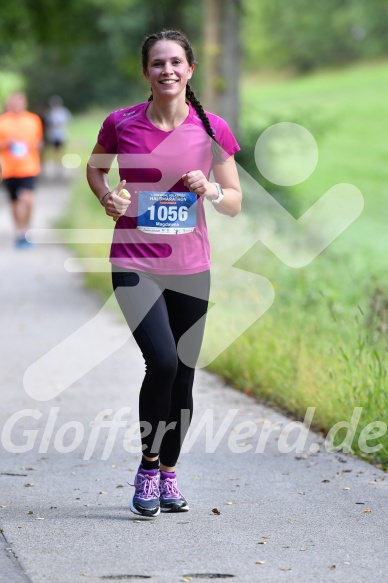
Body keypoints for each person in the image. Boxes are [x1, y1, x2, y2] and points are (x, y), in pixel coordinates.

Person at [87, 30, 242, 517]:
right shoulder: (122, 123)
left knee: (185, 376)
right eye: (158, 63)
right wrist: (107, 196)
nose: (167, 70)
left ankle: (169, 473)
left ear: (190, 70)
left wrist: (211, 190)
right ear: (146, 72)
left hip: (191, 267)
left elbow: (234, 201)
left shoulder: (211, 127)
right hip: (134, 262)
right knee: (164, 362)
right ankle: (148, 467)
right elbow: (96, 169)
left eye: (176, 62)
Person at [0, 92, 43, 247]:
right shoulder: (2, 121)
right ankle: (19, 232)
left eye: (20, 102)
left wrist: (36, 146)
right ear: (9, 104)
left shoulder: (33, 119)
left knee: (27, 198)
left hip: (29, 166)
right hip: (9, 168)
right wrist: (7, 143)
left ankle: (26, 229)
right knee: (14, 203)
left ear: (25, 103)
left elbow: (39, 142)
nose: (17, 105)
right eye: (14, 102)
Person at [44, 95, 72, 165]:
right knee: (51, 150)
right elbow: (47, 123)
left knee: (60, 150)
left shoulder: (63, 112)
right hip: (52, 134)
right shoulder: (50, 112)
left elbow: (68, 121)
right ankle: (53, 162)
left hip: (61, 134)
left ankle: (59, 162)